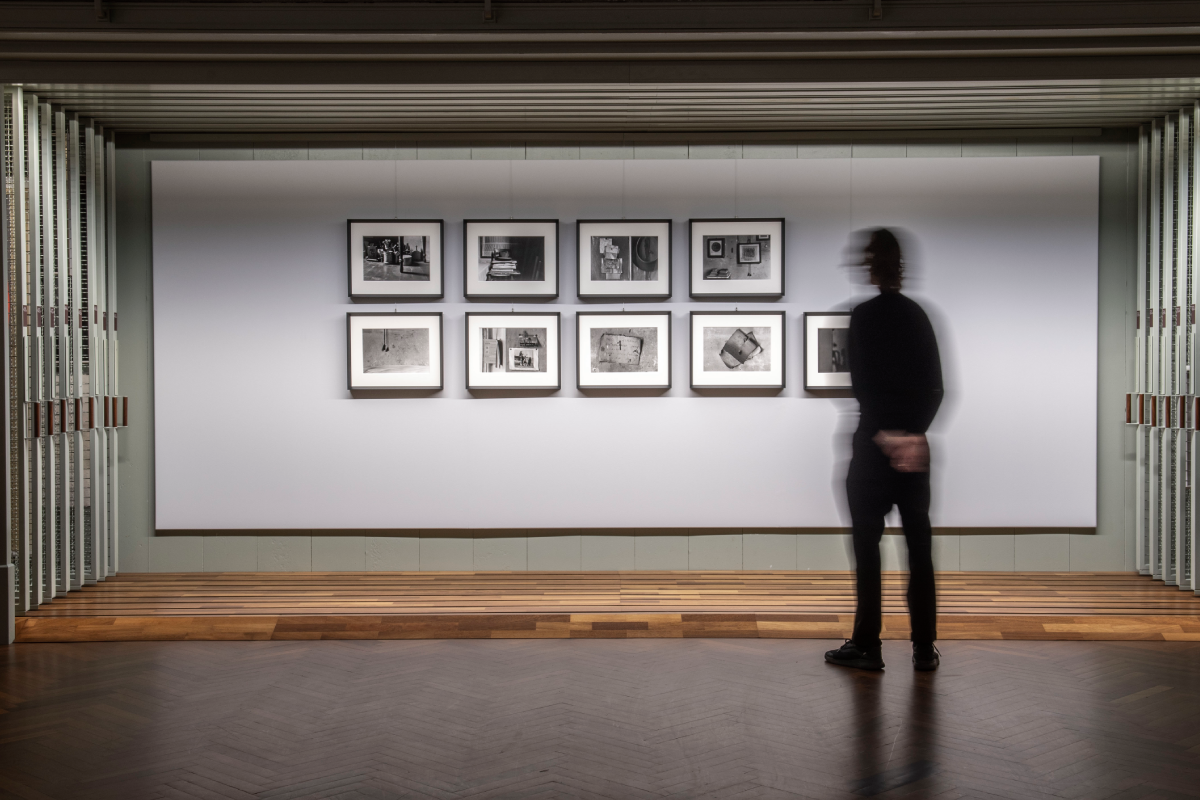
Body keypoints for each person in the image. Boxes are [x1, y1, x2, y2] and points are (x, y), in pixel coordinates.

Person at [825, 228, 944, 672]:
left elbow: (863, 388)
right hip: (915, 454)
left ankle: (867, 645)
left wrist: (885, 436)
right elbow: (935, 387)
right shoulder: (917, 316)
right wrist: (913, 435)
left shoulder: (864, 316)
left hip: (873, 452)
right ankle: (923, 647)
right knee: (919, 550)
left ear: (871, 266)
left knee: (867, 550)